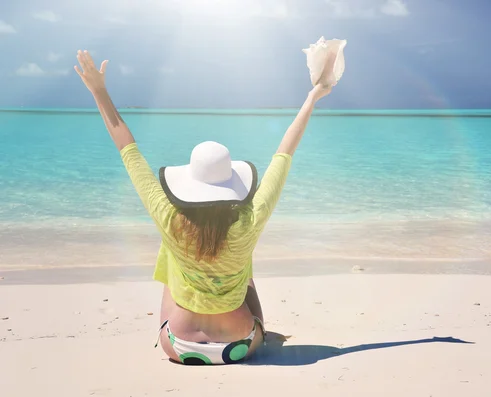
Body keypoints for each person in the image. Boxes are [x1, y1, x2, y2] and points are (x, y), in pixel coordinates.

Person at [74, 50, 333, 365]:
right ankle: (254, 329)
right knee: (244, 269)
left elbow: (127, 148)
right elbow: (284, 153)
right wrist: (313, 97)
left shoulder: (169, 217)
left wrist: (99, 92)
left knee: (172, 253)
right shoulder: (249, 221)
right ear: (233, 185)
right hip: (243, 344)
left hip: (178, 345)